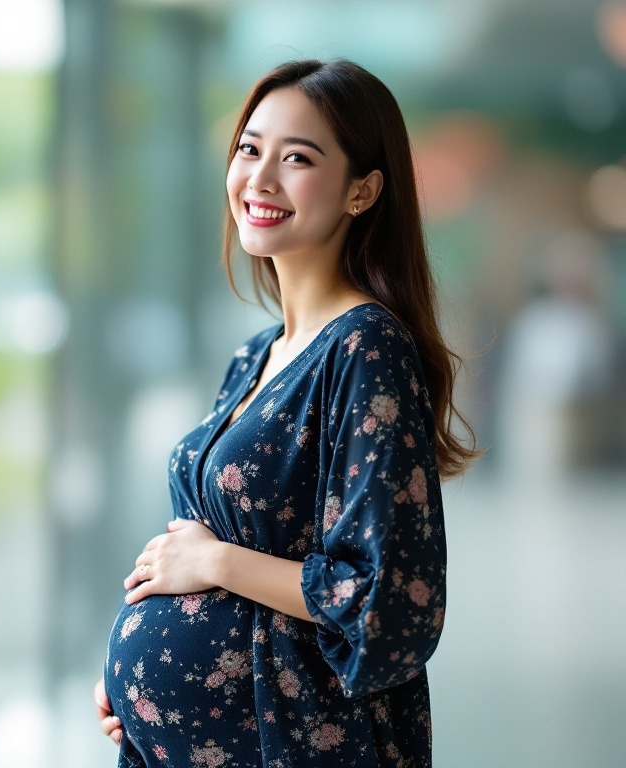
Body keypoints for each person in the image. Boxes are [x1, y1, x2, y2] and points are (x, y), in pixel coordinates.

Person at [92, 58, 480, 767]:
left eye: (297, 158)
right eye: (250, 149)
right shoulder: (258, 353)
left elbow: (386, 600)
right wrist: (136, 692)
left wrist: (216, 561)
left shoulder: (365, 347)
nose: (260, 179)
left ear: (362, 191)